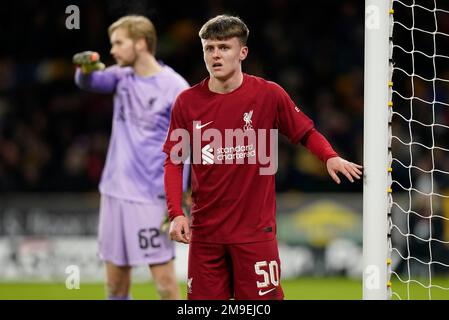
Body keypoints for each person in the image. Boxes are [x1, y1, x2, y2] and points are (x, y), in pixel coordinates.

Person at [162, 15, 362, 300]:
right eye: (209, 48)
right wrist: (176, 213)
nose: (216, 55)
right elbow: (174, 161)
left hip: (255, 234)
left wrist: (329, 156)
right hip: (205, 236)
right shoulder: (187, 102)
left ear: (242, 52)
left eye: (224, 47)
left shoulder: (269, 95)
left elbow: (305, 132)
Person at [73, 15, 189, 300]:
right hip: (114, 193)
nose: (112, 50)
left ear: (140, 44)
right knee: (115, 284)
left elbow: (185, 150)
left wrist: (177, 199)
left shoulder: (176, 87)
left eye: (118, 43)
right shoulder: (121, 75)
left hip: (152, 197)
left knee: (164, 283)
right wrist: (84, 69)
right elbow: (88, 82)